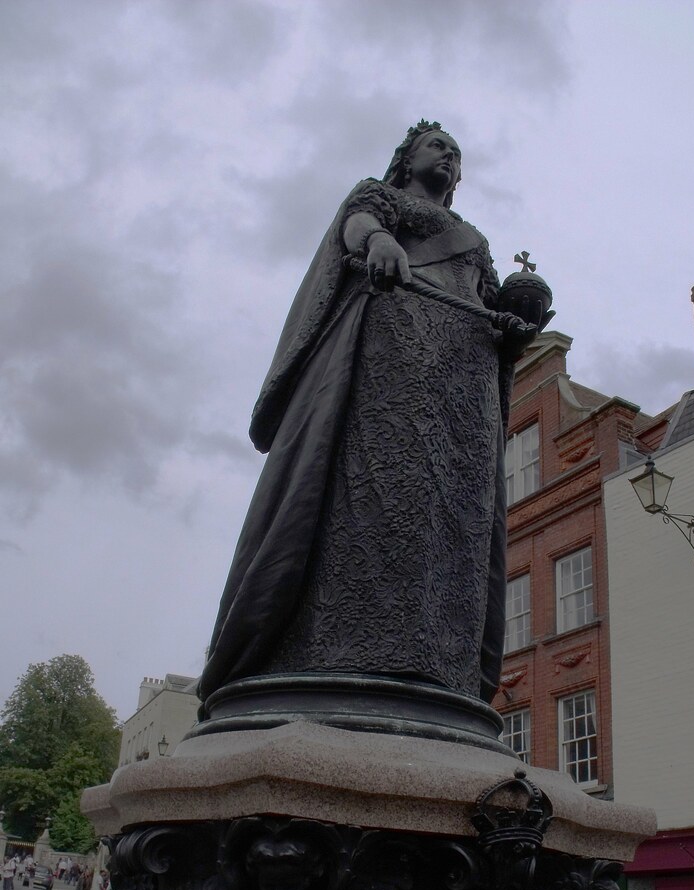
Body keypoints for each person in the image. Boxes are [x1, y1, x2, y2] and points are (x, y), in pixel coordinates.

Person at [198, 121, 538, 707]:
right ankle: (340, 646)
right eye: (438, 147)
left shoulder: (475, 241)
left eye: (457, 154)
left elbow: (482, 307)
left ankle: (437, 661)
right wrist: (378, 240)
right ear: (407, 159)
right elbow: (356, 224)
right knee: (374, 493)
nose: (450, 157)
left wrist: (511, 327)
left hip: (459, 391)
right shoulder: (380, 197)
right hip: (389, 363)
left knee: (448, 517)